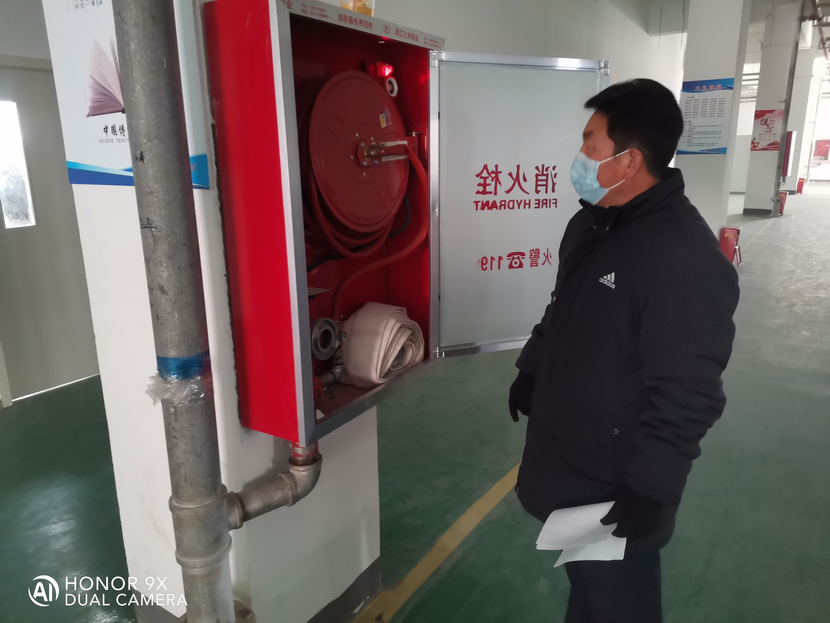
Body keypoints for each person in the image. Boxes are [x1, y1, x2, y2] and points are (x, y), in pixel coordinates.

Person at [508, 79, 740, 623]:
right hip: (571, 456)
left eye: (590, 143)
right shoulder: (592, 224)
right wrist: (532, 369)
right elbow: (562, 308)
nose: (579, 155)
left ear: (629, 160)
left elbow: (689, 393)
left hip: (616, 480)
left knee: (619, 601)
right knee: (589, 587)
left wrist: (651, 488)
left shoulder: (685, 261)